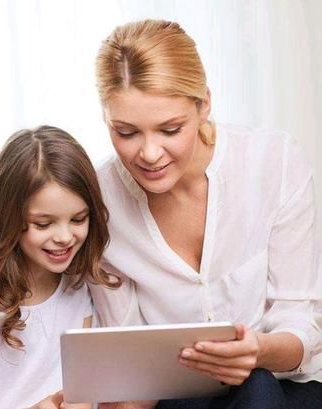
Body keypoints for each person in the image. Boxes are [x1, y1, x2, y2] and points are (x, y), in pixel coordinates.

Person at [90, 19, 322, 409]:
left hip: (284, 385)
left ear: (204, 104)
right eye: (126, 132)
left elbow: (301, 321)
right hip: (177, 398)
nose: (149, 154)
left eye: (170, 129)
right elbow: (124, 350)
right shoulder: (100, 202)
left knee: (258, 386)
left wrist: (257, 351)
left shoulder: (273, 162)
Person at [0, 126, 120, 409]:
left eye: (78, 219)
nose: (64, 237)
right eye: (43, 224)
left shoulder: (80, 290)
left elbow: (82, 394)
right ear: (9, 218)